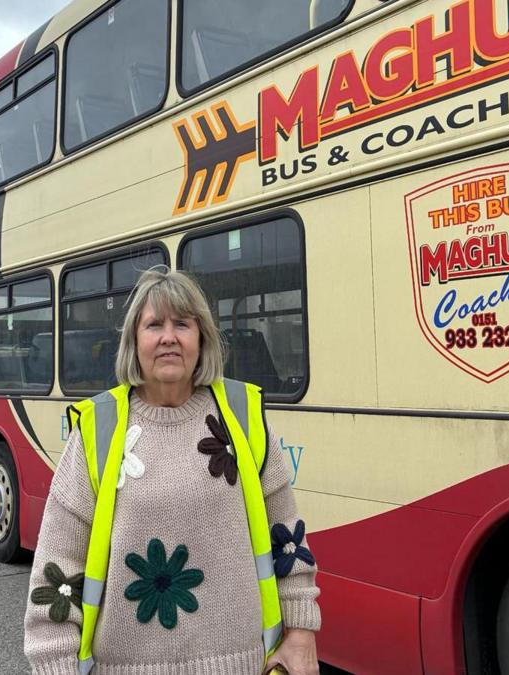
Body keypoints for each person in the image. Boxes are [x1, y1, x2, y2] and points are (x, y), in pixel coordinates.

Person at [24, 267, 320, 675]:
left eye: (182, 323)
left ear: (202, 338)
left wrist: (301, 633)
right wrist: (53, 663)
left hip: (243, 665)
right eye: (154, 325)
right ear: (134, 341)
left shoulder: (240, 417)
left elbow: (285, 533)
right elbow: (59, 560)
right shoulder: (99, 429)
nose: (168, 337)